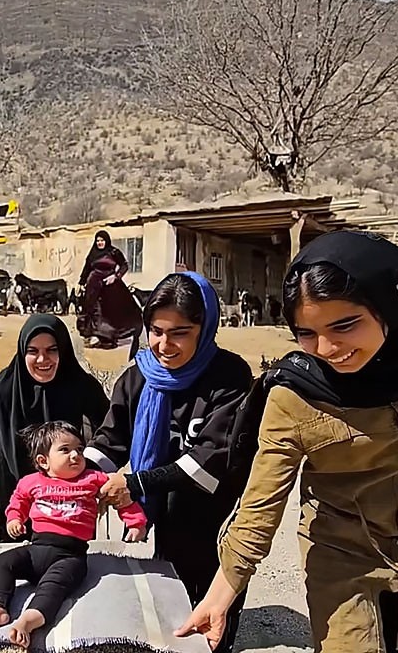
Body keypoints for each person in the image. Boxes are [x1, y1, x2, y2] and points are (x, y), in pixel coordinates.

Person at [176, 231, 398, 652]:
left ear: (388, 306)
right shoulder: (294, 396)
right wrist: (220, 595)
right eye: (307, 332)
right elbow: (261, 504)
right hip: (343, 551)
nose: (328, 348)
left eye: (345, 325)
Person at [86, 271, 256, 653]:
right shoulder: (138, 377)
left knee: (213, 625)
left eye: (180, 332)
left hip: (217, 521)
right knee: (171, 613)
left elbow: (212, 457)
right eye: (156, 330)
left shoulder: (230, 377)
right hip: (168, 519)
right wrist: (80, 478)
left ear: (204, 326)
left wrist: (136, 484)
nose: (164, 344)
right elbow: (111, 439)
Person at [0, 421, 148, 646]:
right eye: (65, 450)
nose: (75, 455)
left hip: (70, 556)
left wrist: (136, 522)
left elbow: (121, 497)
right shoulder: (30, 482)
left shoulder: (93, 479)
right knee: (4, 561)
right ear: (43, 461)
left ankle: (29, 620)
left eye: (79, 449)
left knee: (53, 587)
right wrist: (14, 518)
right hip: (35, 550)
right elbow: (18, 501)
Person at [0, 314, 111, 543]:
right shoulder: (0, 390)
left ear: (62, 350)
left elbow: (110, 429)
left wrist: (94, 471)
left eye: (51, 350)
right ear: (23, 352)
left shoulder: (82, 387)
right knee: (20, 561)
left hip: (71, 493)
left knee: (70, 559)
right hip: (15, 490)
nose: (43, 359)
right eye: (33, 351)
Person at [76, 230, 142, 351]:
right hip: (93, 287)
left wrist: (115, 277)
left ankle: (109, 337)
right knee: (95, 311)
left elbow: (124, 265)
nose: (100, 243)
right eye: (98, 241)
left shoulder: (114, 252)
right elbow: (86, 268)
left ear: (106, 241)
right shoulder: (92, 253)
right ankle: (100, 337)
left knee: (110, 312)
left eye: (102, 240)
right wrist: (81, 283)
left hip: (110, 287)